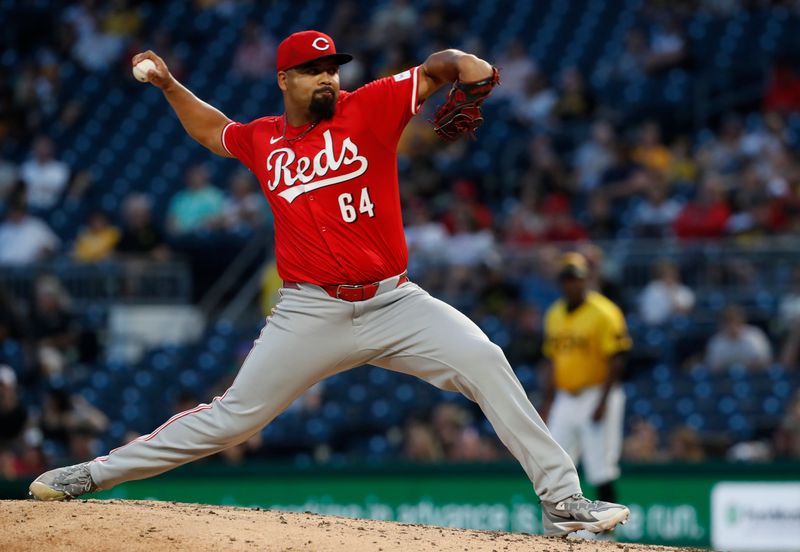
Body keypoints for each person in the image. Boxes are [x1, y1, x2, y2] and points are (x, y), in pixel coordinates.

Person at [30, 30, 629, 537]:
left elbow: (444, 66)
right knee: (234, 418)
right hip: (309, 311)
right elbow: (213, 130)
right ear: (284, 81)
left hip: (395, 300)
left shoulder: (369, 107)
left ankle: (563, 501)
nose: (327, 78)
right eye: (313, 70)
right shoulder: (264, 139)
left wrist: (476, 74)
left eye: (332, 68)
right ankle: (95, 474)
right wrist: (167, 85)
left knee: (486, 359)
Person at [540, 253, 632, 509]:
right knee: (554, 464)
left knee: (600, 467)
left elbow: (617, 359)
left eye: (577, 278)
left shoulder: (605, 312)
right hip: (566, 397)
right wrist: (547, 401)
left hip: (598, 393)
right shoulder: (554, 314)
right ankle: (563, 523)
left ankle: (607, 535)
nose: (572, 284)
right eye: (567, 279)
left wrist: (603, 402)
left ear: (586, 280)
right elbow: (551, 360)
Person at [705, 306, 772, 371]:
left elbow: (765, 362)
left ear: (741, 321)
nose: (732, 326)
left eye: (735, 322)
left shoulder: (754, 336)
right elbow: (713, 368)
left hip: (754, 377)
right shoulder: (717, 342)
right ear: (723, 324)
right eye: (728, 322)